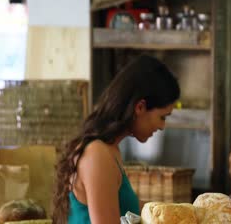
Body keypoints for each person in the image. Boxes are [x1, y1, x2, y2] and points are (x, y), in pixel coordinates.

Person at [52, 54, 180, 224]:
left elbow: (127, 208)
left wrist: (184, 212)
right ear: (140, 107)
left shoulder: (109, 150)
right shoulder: (97, 154)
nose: (162, 126)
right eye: (162, 117)